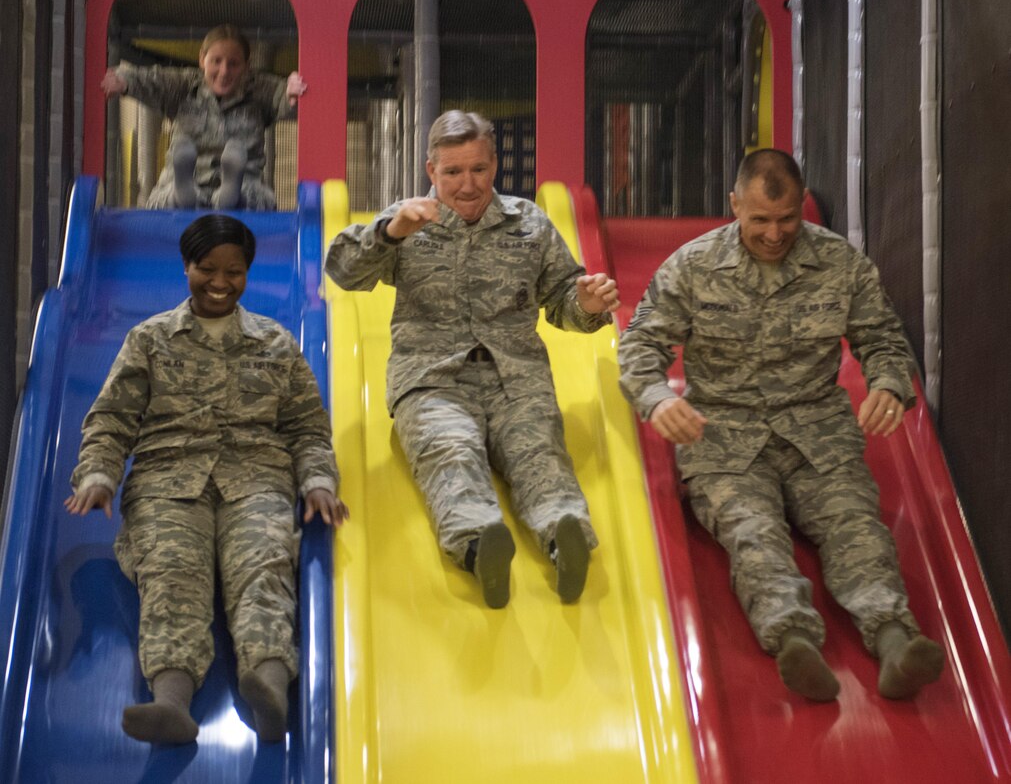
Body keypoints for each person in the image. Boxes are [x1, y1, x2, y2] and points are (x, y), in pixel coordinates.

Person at [617, 148, 944, 702]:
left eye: (787, 219)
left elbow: (883, 338)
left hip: (817, 432)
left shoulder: (842, 264)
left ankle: (893, 640)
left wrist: (889, 383)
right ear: (735, 206)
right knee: (753, 532)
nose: (774, 233)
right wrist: (654, 398)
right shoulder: (692, 267)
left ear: (801, 208)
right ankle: (794, 641)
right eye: (760, 220)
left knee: (855, 525)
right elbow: (640, 343)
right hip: (721, 436)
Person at [64, 214, 347, 744]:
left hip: (257, 479)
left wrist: (318, 482)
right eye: (207, 269)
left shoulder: (276, 343)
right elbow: (111, 419)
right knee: (173, 570)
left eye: (234, 272)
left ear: (247, 274)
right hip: (168, 481)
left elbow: (308, 427)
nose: (220, 282)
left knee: (264, 563)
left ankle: (267, 684)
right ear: (186, 266)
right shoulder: (149, 339)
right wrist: (99, 474)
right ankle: (171, 702)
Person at [326, 110, 620, 608]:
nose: (467, 184)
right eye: (453, 173)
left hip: (516, 378)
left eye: (478, 170)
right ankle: (481, 544)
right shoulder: (409, 220)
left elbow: (562, 300)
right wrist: (391, 232)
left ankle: (562, 537)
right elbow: (344, 271)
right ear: (431, 172)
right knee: (451, 451)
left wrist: (587, 305)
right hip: (432, 379)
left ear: (495, 166)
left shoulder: (528, 223)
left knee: (539, 453)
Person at [101, 24, 307, 210]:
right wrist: (124, 81)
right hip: (185, 179)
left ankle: (231, 194)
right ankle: (183, 192)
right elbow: (151, 80)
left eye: (233, 64)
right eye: (216, 61)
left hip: (244, 180)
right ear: (202, 59)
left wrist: (291, 92)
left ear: (246, 65)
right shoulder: (184, 85)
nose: (224, 71)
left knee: (257, 199)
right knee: (162, 199)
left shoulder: (259, 89)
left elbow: (283, 98)